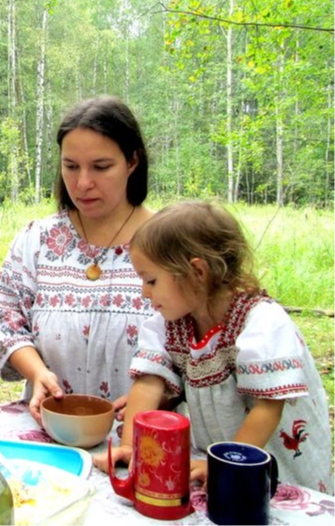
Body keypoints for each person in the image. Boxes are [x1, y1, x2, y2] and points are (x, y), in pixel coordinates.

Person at [97, 201, 332, 493]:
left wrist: (225, 463)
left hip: (274, 467)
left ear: (197, 271)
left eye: (151, 280)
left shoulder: (262, 323)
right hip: (213, 465)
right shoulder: (169, 324)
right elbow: (148, 384)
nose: (145, 293)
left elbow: (268, 408)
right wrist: (132, 445)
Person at [0, 96, 155, 424]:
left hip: (142, 434)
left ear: (132, 161)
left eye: (101, 167)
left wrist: (157, 392)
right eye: (71, 166)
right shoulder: (37, 240)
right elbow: (5, 320)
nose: (83, 183)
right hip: (50, 428)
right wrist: (37, 373)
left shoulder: (168, 241)